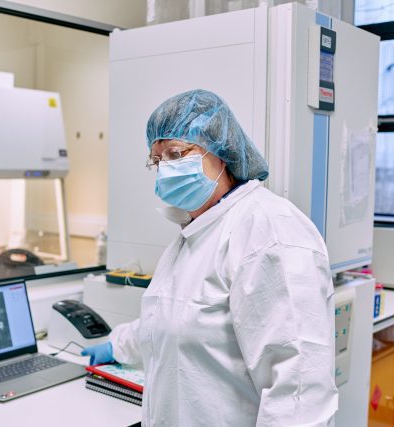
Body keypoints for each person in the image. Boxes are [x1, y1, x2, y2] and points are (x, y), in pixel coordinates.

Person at [82, 89, 337, 426]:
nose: (164, 170)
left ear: (221, 152)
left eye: (176, 153)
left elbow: (300, 390)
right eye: (157, 160)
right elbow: (172, 321)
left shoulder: (270, 231)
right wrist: (116, 346)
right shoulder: (194, 234)